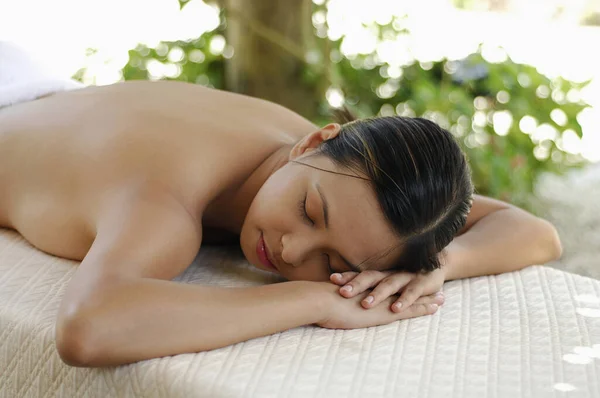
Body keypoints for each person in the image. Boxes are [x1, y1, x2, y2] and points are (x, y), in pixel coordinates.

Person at [0, 80, 562, 368]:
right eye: (310, 212)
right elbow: (89, 328)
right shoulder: (164, 204)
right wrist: (317, 302)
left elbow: (535, 232)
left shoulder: (335, 167)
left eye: (336, 264)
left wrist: (442, 265)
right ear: (318, 139)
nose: (293, 252)